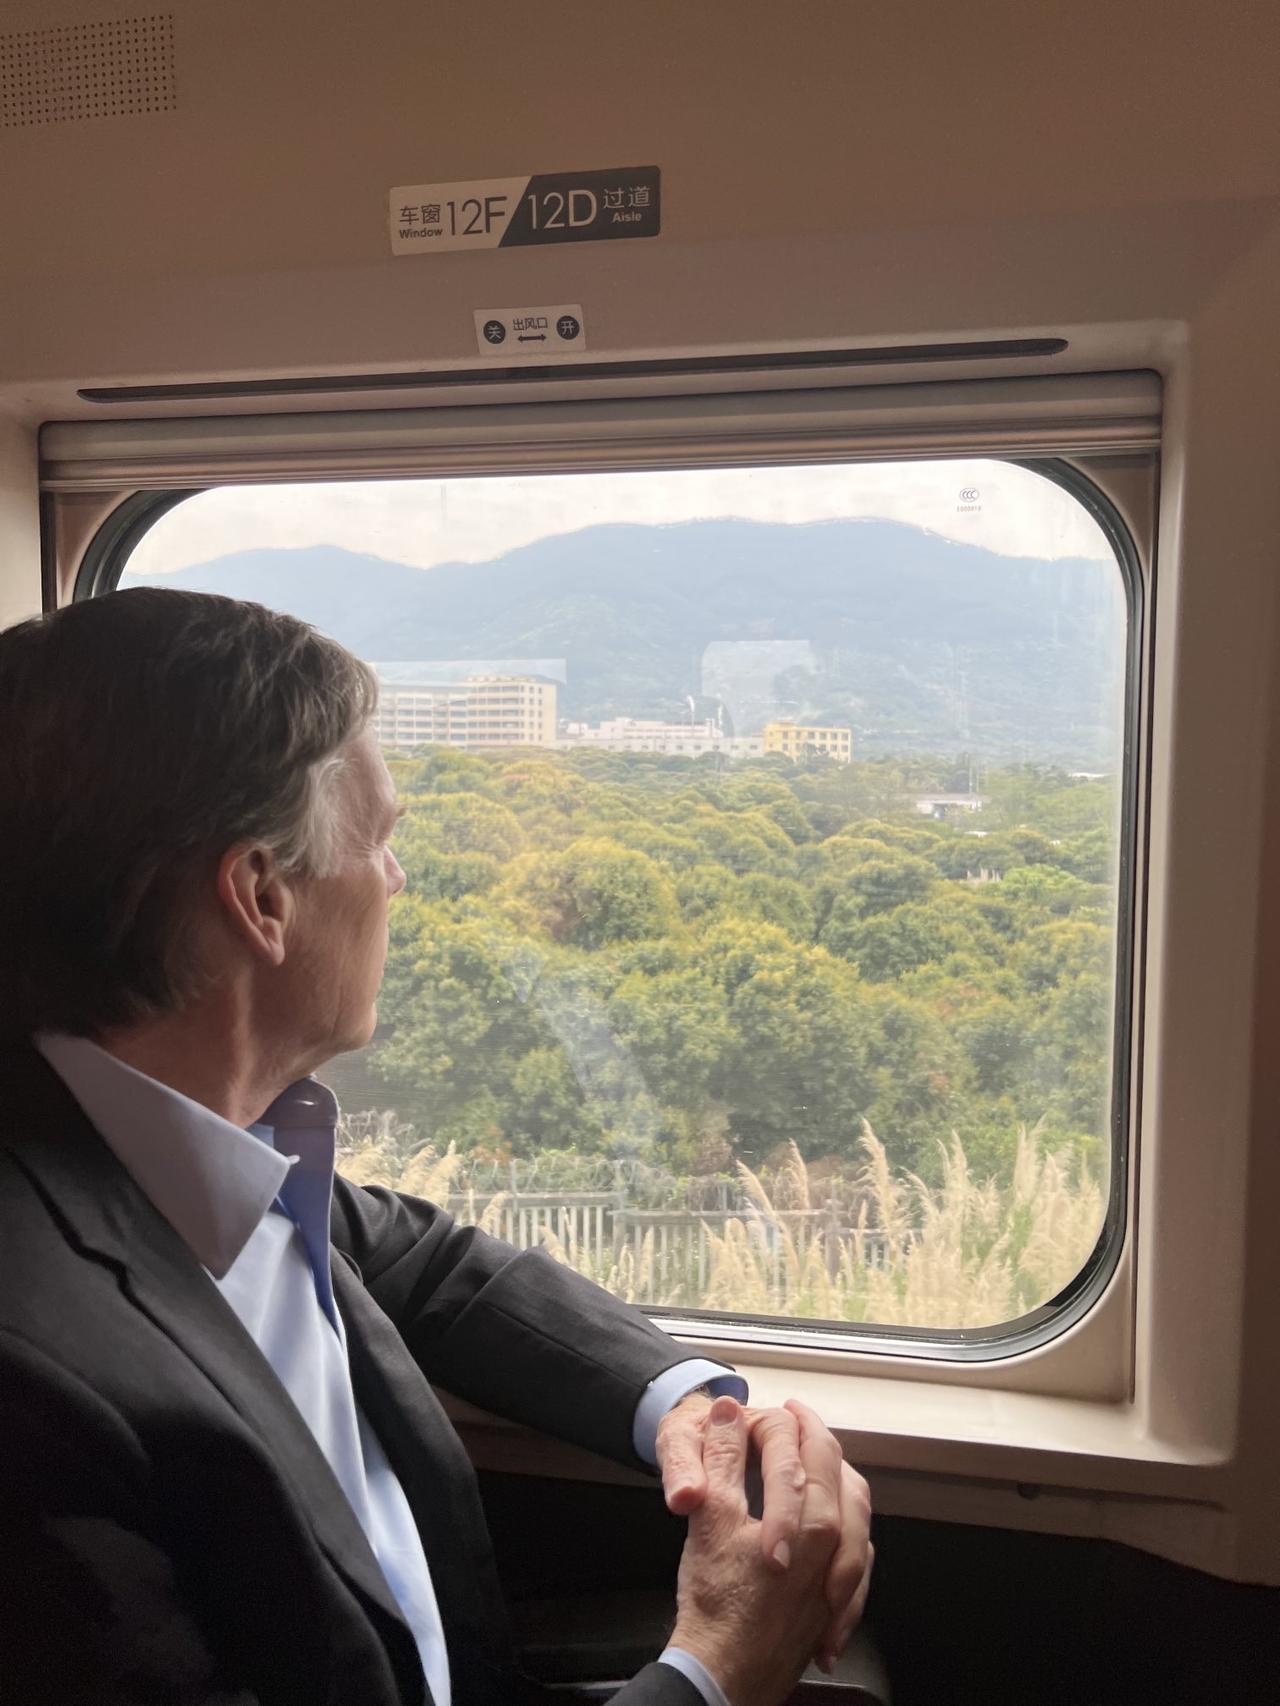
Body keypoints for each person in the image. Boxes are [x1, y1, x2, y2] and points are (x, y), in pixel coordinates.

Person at [0, 589, 872, 1706]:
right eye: (379, 841)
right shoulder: (35, 1395)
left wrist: (697, 1412)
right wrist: (717, 1666)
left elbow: (433, 1267)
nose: (397, 880)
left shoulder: (195, 1151)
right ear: (261, 896)